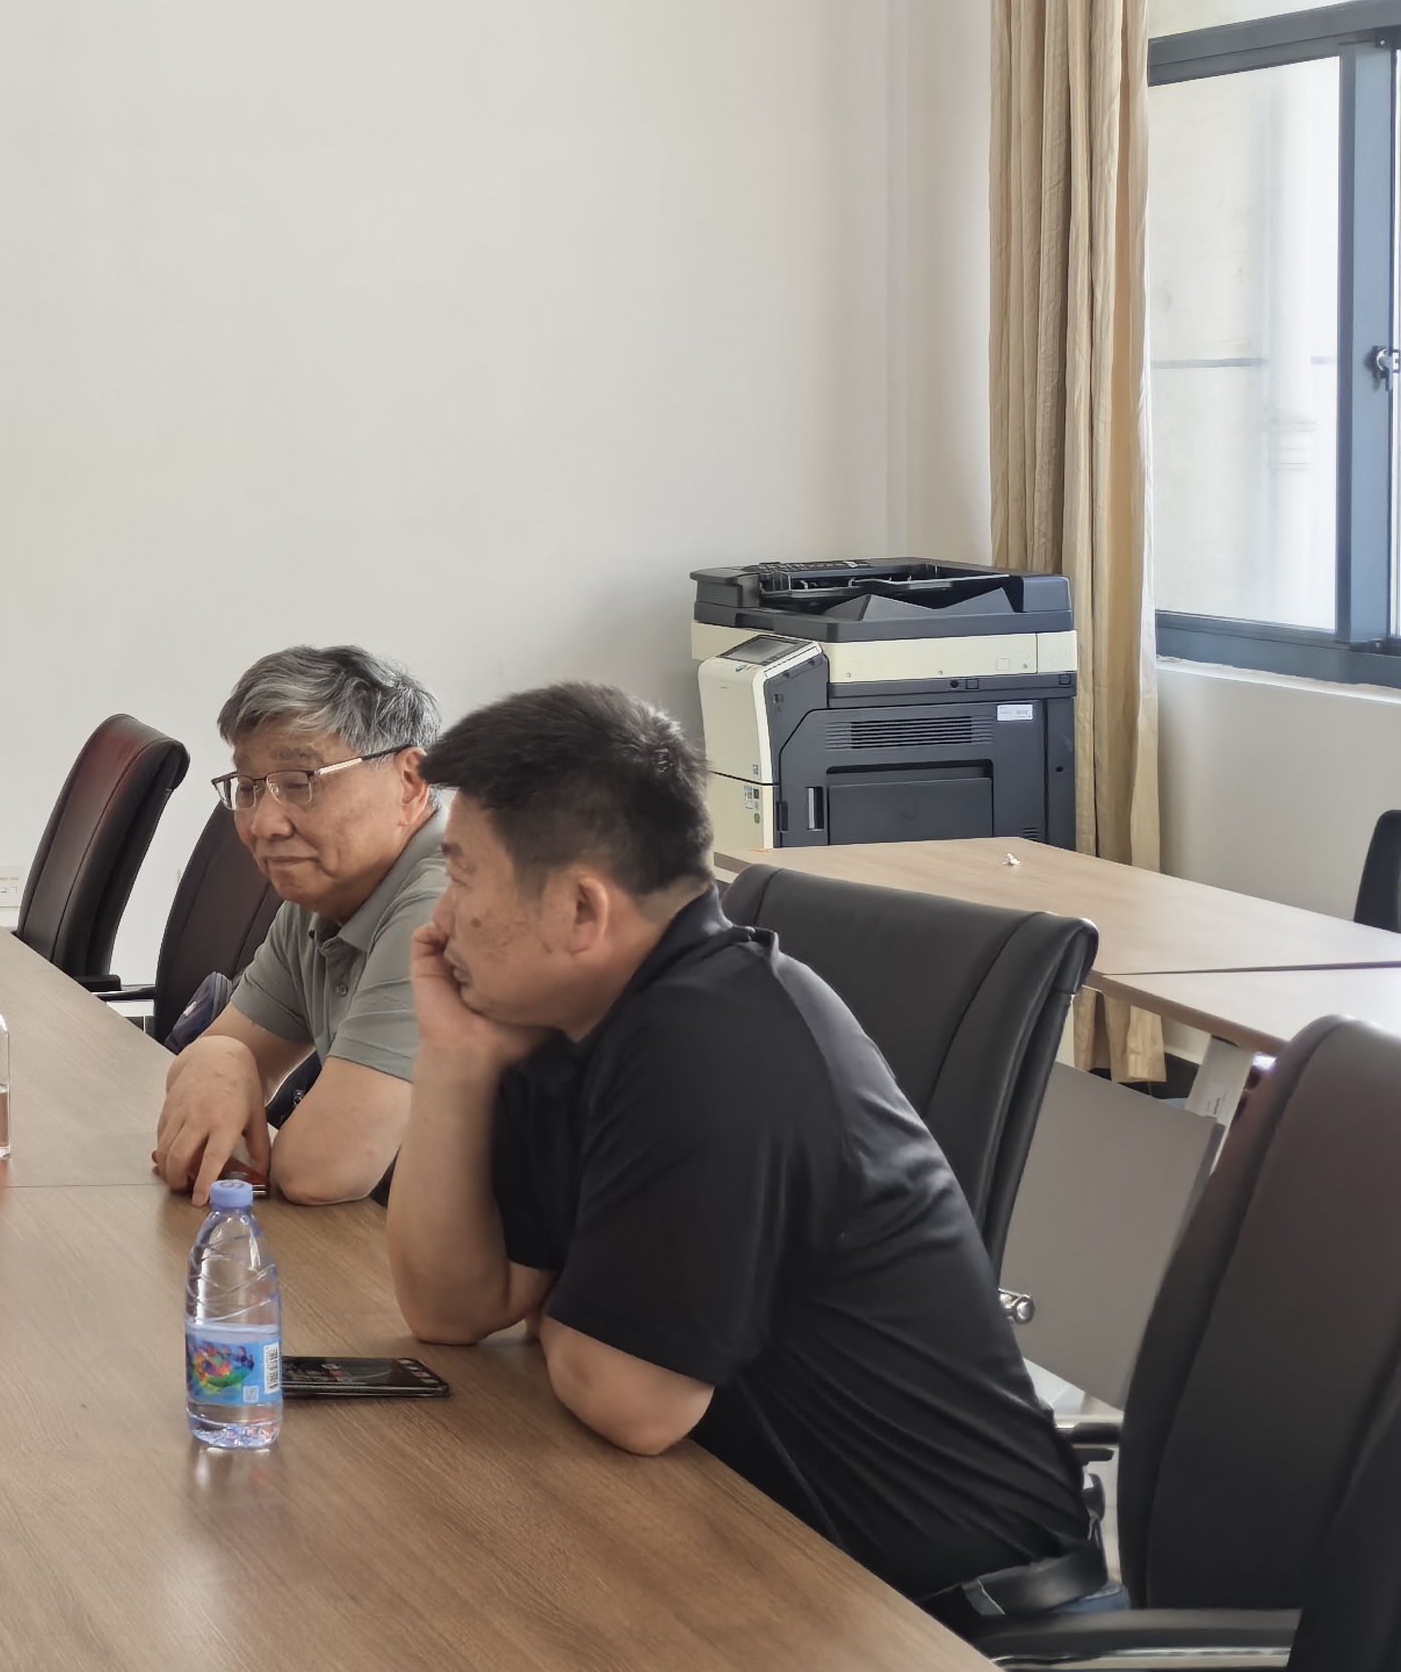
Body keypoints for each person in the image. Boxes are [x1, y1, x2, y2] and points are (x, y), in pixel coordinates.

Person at [388, 681, 1090, 1602]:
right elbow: (450, 1308)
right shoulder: (571, 1021)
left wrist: (566, 1314)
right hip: (764, 1548)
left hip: (954, 1624)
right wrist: (455, 1058)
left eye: (462, 875)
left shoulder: (710, 1044)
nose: (440, 919)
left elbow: (633, 1402)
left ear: (581, 911)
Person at [150, 645, 447, 1205]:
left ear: (410, 781)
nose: (263, 823)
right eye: (248, 786)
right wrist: (223, 1056)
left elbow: (321, 1172)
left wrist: (228, 1067)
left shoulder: (447, 907)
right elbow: (202, 1085)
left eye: (299, 781)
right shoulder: (324, 895)